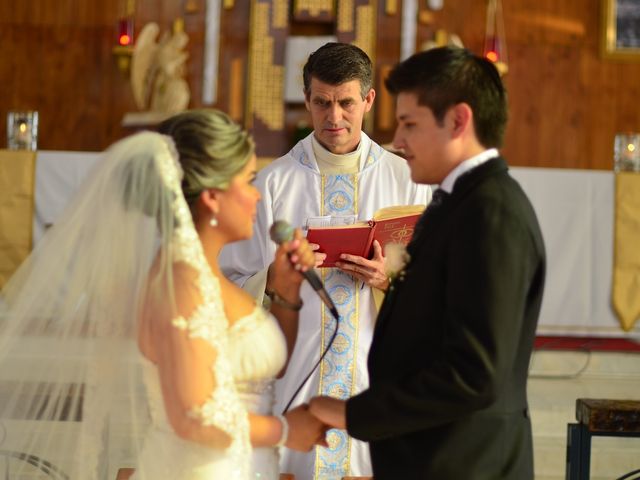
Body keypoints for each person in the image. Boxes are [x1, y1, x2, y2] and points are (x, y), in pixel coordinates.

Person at [0, 109, 327, 479]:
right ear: (213, 198)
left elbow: (261, 373)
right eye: (248, 181)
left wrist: (285, 291)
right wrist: (285, 431)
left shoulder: (203, 276)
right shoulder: (178, 285)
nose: (256, 197)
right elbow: (194, 417)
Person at [309, 46, 546, 479]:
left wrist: (352, 415)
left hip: (465, 462)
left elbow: (475, 375)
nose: (397, 142)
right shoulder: (459, 201)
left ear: (458, 121)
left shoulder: (491, 213)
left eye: (409, 124)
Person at [220, 42, 431, 479]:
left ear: (369, 100)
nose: (334, 117)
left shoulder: (406, 180)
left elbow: (436, 283)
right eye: (322, 103)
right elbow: (231, 280)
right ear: (308, 100)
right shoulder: (274, 182)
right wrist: (276, 278)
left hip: (375, 369)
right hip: (297, 370)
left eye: (346, 103)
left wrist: (390, 278)